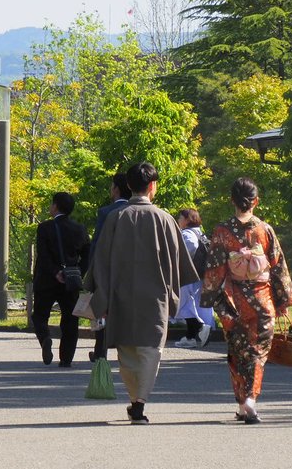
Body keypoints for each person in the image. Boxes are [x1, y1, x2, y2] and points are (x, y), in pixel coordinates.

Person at [89, 161, 197, 424]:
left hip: (121, 293)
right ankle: (140, 401)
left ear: (128, 185)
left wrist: (101, 294)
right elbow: (178, 262)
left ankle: (134, 398)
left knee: (126, 350)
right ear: (152, 186)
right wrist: (172, 294)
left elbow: (100, 261)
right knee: (152, 350)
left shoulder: (116, 217)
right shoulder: (166, 219)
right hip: (156, 296)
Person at [199, 177, 292, 424]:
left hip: (234, 303)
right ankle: (249, 402)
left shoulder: (222, 232)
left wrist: (210, 298)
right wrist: (283, 299)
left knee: (237, 351)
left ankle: (244, 402)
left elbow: (215, 270)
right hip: (263, 302)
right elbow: (278, 267)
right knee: (257, 353)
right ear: (256, 202)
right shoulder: (265, 230)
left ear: (232, 200)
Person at [31, 192, 91, 367]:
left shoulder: (45, 228)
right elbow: (88, 253)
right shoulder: (80, 229)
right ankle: (66, 359)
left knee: (40, 316)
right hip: (71, 281)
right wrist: (79, 271)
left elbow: (43, 255)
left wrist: (55, 272)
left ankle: (45, 338)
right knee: (70, 319)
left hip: (46, 280)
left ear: (55, 206)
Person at [85, 171, 131, 361]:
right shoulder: (136, 211)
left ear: (117, 189)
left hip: (107, 269)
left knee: (102, 310)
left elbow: (97, 243)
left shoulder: (106, 212)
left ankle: (100, 351)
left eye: (112, 187)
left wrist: (91, 270)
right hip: (129, 271)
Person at [173, 208, 214, 348]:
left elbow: (191, 246)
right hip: (200, 274)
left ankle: (199, 329)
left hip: (188, 274)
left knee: (182, 304)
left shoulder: (187, 233)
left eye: (180, 218)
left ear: (187, 220)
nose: (178, 221)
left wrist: (182, 261)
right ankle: (191, 335)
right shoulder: (200, 233)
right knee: (190, 305)